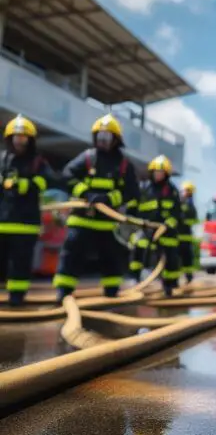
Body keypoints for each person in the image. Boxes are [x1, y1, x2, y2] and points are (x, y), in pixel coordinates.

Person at [54, 114, 140, 302]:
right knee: (71, 254)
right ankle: (63, 292)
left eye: (107, 136)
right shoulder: (87, 157)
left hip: (107, 223)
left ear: (115, 139)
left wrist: (110, 198)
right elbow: (67, 176)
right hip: (81, 219)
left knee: (111, 258)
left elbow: (132, 191)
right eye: (99, 135)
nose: (102, 140)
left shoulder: (123, 164)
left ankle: (111, 293)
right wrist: (85, 192)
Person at [0, 115, 57, 306]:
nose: (19, 141)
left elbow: (48, 181)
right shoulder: (2, 160)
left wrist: (26, 184)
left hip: (26, 224)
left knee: (20, 263)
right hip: (2, 222)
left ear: (30, 140)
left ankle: (17, 298)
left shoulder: (38, 162)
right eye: (16, 137)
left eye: (23, 138)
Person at [133, 155, 183, 297]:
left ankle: (170, 285)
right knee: (139, 249)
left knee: (170, 258)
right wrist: (140, 222)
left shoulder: (172, 190)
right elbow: (138, 208)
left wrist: (167, 225)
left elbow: (177, 213)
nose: (158, 175)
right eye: (156, 172)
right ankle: (136, 278)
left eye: (161, 172)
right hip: (147, 229)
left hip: (167, 231)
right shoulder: (145, 189)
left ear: (166, 174)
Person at [178, 180, 200, 283]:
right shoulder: (178, 203)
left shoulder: (191, 205)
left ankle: (189, 277)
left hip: (186, 236)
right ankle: (175, 279)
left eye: (188, 191)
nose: (186, 193)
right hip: (177, 236)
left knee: (187, 258)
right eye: (186, 190)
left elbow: (194, 220)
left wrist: (184, 222)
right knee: (176, 258)